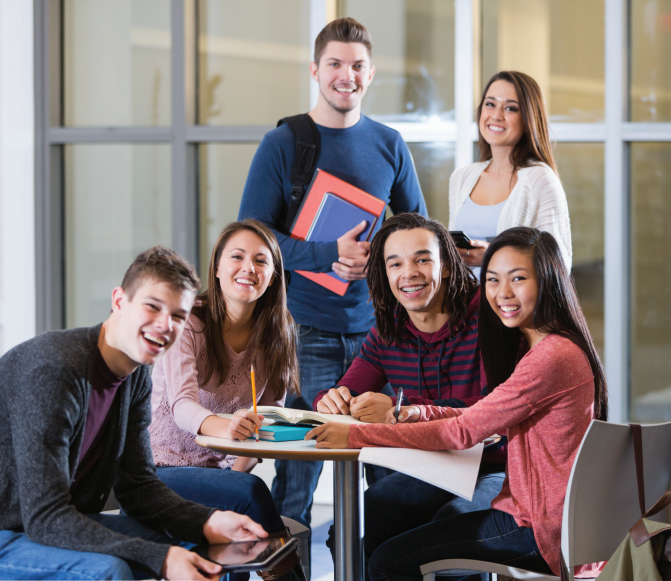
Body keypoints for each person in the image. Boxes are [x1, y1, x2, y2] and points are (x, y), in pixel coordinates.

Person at [307, 228, 607, 581]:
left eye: (518, 279)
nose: (502, 293)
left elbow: (465, 430)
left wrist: (361, 437)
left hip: (537, 525)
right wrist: (417, 412)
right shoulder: (548, 347)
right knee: (374, 520)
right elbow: (484, 415)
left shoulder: (547, 356)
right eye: (493, 279)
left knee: (390, 561)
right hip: (537, 513)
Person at [0, 247, 270, 581]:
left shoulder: (133, 378)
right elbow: (45, 517)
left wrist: (208, 522)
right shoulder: (54, 370)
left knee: (195, 548)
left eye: (178, 316)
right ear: (119, 301)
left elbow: (138, 488)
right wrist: (160, 559)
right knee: (108, 571)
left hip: (45, 524)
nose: (165, 325)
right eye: (152, 306)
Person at [237, 16, 428, 527]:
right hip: (309, 331)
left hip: (382, 334)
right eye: (336, 64)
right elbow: (251, 238)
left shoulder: (390, 144)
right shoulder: (283, 144)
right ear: (315, 70)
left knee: (388, 472)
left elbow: (418, 231)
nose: (347, 76)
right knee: (299, 477)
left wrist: (383, 252)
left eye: (358, 66)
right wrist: (326, 253)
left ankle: (372, 564)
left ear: (371, 73)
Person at [311, 213, 506, 563]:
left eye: (422, 259)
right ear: (385, 275)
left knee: (453, 523)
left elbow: (491, 415)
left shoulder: (490, 323)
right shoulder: (388, 331)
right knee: (352, 527)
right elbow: (344, 391)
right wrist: (332, 399)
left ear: (446, 266)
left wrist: (399, 410)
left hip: (491, 467)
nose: (409, 272)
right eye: (395, 263)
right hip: (426, 467)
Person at [149, 221, 298, 544]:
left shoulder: (276, 333)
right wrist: (227, 429)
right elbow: (182, 406)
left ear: (273, 276)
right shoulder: (187, 323)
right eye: (237, 257)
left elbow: (269, 416)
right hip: (159, 469)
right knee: (249, 495)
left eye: (261, 261)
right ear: (217, 267)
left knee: (242, 506)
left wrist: (235, 472)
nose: (249, 268)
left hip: (219, 473)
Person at [449, 71, 572, 278]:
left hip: (512, 307)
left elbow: (558, 263)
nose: (496, 115)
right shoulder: (462, 177)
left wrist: (492, 255)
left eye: (510, 108)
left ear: (528, 120)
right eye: (490, 104)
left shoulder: (540, 179)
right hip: (466, 306)